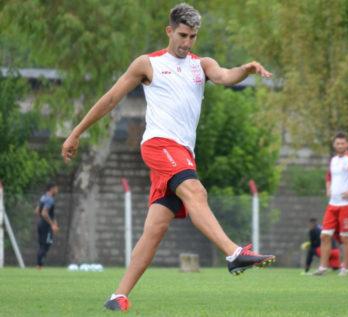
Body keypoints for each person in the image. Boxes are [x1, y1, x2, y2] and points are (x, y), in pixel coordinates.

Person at [61, 3, 275, 311]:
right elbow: (110, 98)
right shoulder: (147, 64)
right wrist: (75, 133)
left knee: (156, 228)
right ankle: (233, 253)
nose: (187, 43)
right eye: (183, 35)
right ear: (169, 31)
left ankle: (117, 296)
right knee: (196, 191)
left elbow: (227, 76)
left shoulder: (201, 65)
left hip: (183, 153)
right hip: (160, 146)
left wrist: (247, 68)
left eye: (193, 37)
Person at [314, 132, 348, 276]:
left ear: (347, 144)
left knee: (345, 237)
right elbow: (329, 175)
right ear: (334, 145)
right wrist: (328, 187)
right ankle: (322, 268)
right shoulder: (333, 160)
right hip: (333, 205)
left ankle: (345, 268)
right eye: (337, 143)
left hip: (347, 205)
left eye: (342, 143)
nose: (340, 146)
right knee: (324, 235)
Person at [34, 182, 59, 269]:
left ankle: (39, 265)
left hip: (41, 224)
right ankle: (39, 266)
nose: (57, 190)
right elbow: (44, 213)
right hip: (46, 226)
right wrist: (52, 224)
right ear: (52, 189)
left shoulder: (43, 197)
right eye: (56, 188)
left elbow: (37, 211)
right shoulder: (50, 199)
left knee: (42, 245)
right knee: (46, 245)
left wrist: (49, 221)